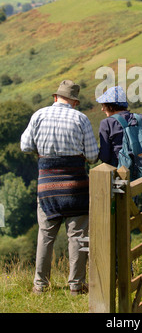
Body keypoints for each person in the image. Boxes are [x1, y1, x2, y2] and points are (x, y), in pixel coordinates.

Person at [20, 79, 99, 295]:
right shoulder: (81, 118)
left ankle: (40, 285)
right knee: (77, 236)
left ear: (56, 97)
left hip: (47, 187)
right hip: (75, 186)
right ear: (74, 101)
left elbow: (25, 145)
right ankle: (76, 285)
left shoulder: (39, 115)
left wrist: (43, 152)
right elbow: (92, 156)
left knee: (45, 236)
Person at [96, 86, 142, 169]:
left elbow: (105, 157)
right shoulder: (140, 118)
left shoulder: (106, 123)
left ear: (110, 106)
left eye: (103, 105)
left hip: (118, 173)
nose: (102, 109)